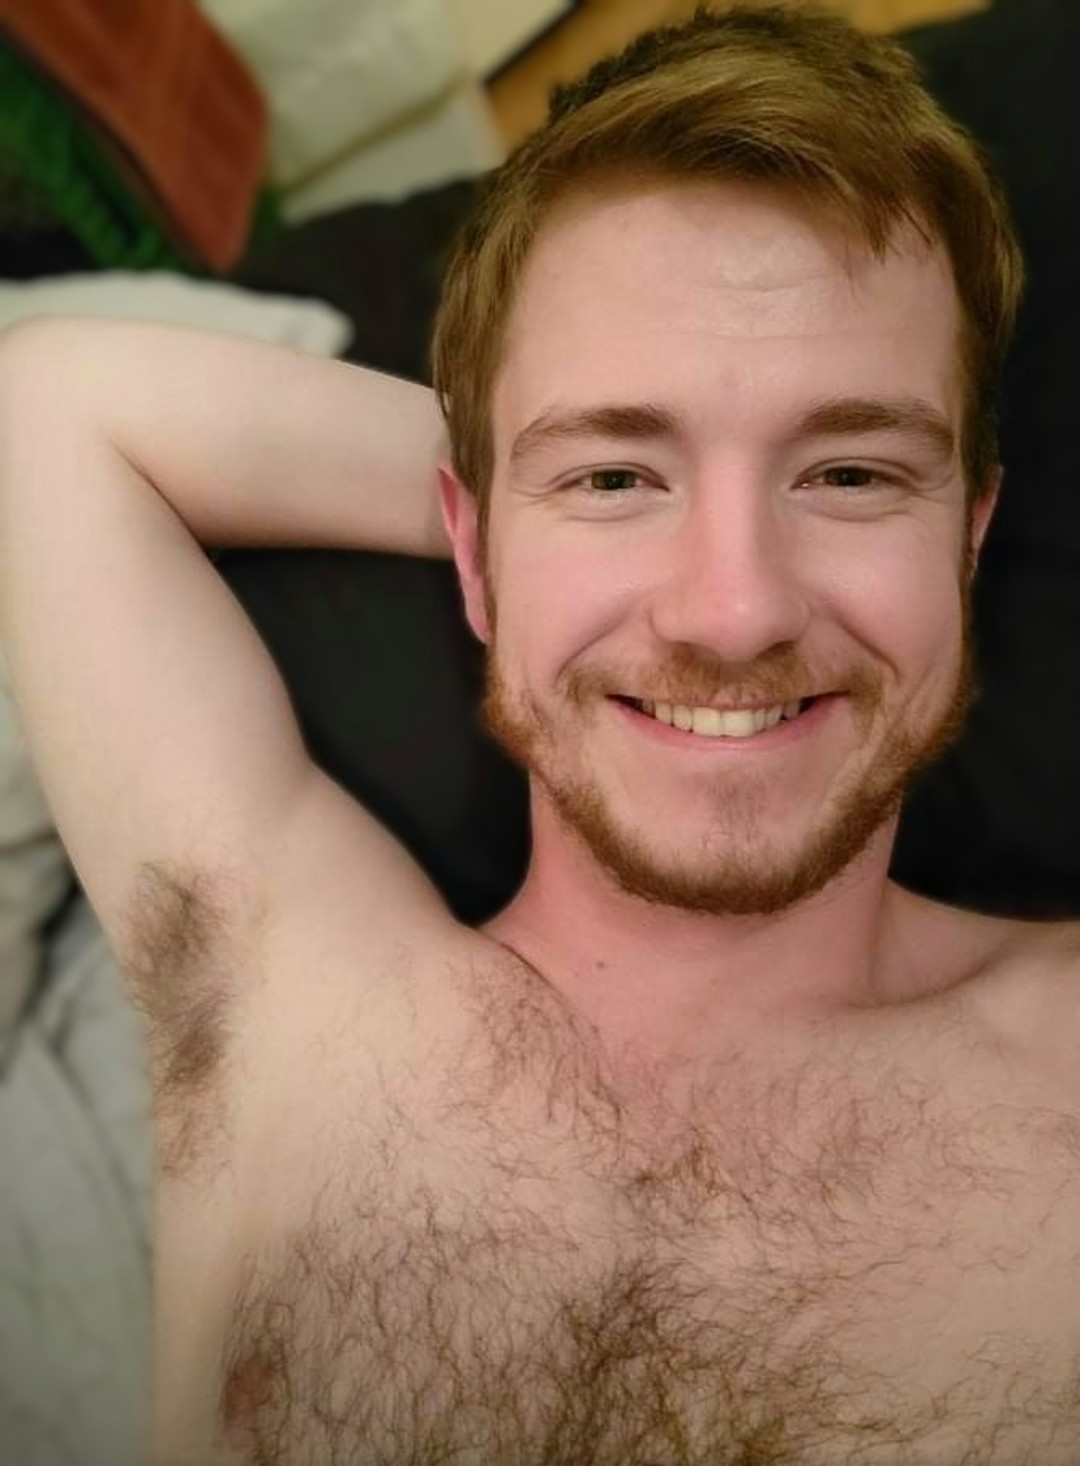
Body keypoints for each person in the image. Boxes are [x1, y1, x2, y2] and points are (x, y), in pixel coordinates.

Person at [1, 2, 1078, 1462]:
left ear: (969, 539)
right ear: (471, 545)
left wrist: (568, 515)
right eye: (617, 475)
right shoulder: (283, 1000)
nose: (733, 611)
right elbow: (43, 405)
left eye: (850, 473)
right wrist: (526, 532)